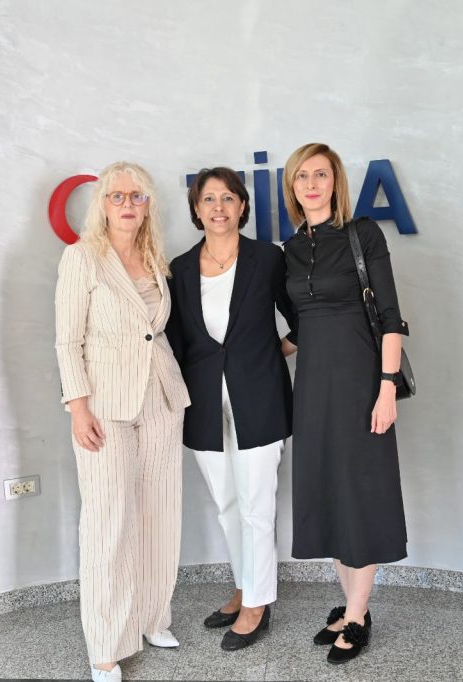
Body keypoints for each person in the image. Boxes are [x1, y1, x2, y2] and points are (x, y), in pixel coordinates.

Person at [54, 161, 191, 682]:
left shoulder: (155, 256)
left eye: (137, 196)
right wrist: (78, 407)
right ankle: (106, 646)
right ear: (103, 205)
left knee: (160, 515)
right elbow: (67, 341)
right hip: (104, 408)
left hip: (160, 398)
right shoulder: (82, 258)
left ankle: (153, 618)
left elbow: (153, 333)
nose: (128, 204)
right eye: (117, 196)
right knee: (108, 523)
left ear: (148, 204)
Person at [281, 143, 410, 664]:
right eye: (302, 176)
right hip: (312, 388)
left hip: (361, 383)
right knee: (327, 492)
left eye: (321, 174)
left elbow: (391, 317)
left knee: (360, 494)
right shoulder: (290, 249)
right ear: (292, 187)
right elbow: (300, 328)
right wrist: (251, 353)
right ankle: (353, 605)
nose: (311, 184)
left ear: (335, 181)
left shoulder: (363, 235)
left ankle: (356, 617)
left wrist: (387, 388)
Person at [166, 167, 298, 651]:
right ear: (196, 209)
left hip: (259, 397)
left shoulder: (267, 258)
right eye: (208, 199)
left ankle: (257, 604)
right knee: (226, 503)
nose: (218, 207)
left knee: (257, 505)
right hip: (203, 401)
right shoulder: (180, 268)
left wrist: (275, 352)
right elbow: (177, 340)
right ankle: (244, 586)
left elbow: (302, 316)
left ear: (242, 206)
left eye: (228, 198)